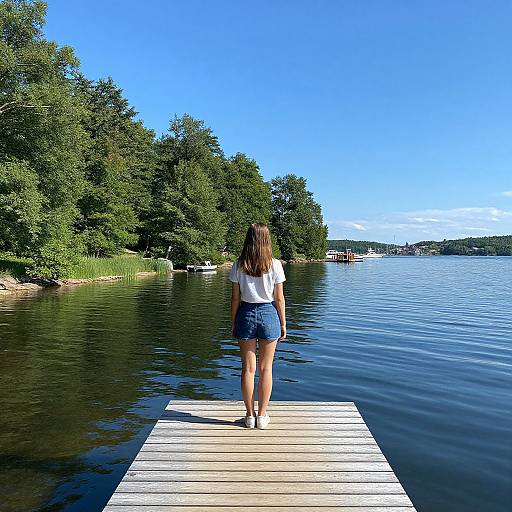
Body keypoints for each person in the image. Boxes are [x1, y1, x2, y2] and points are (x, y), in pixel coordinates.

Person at [229, 223, 286, 429]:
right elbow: (279, 298)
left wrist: (234, 321)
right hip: (269, 314)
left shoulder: (238, 265)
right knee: (266, 368)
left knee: (248, 369)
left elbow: (235, 299)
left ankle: (249, 416)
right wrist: (283, 323)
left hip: (245, 312)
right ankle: (262, 416)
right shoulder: (275, 264)